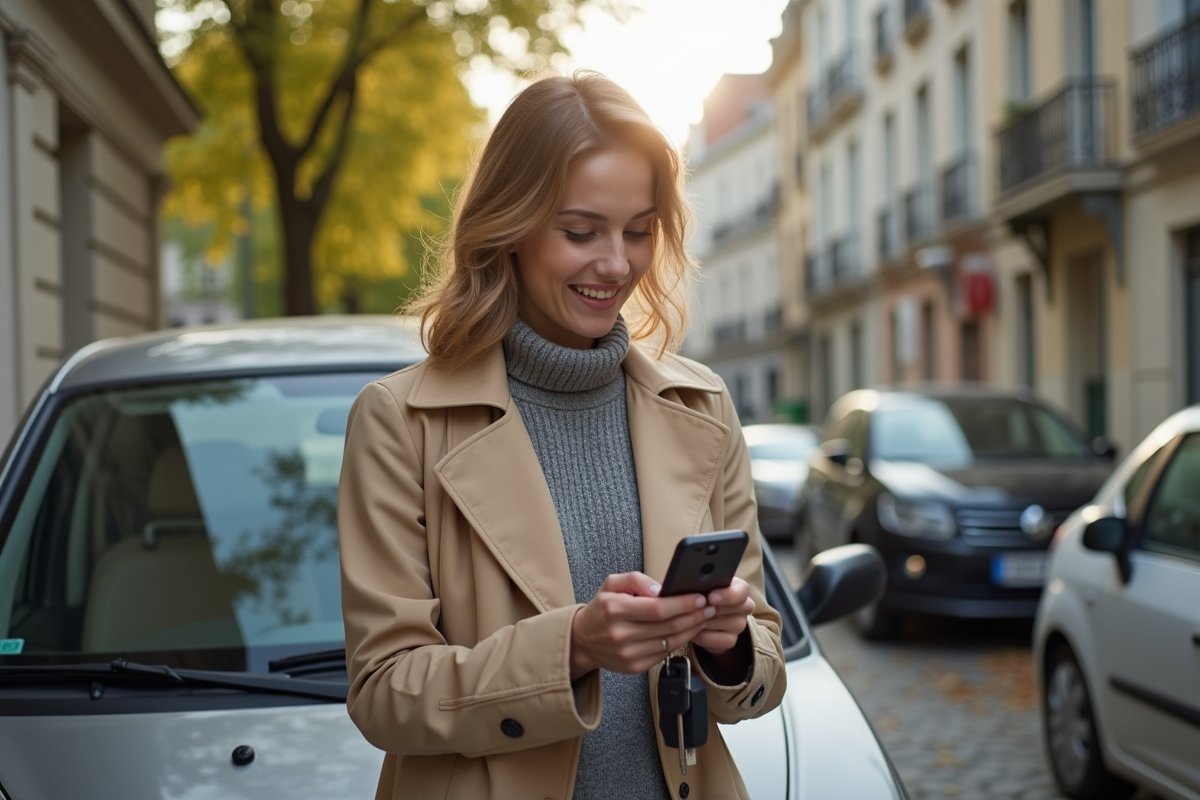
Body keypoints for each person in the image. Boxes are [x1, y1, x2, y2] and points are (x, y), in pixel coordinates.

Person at [338, 70, 785, 800]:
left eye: (639, 231)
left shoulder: (702, 406)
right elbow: (386, 692)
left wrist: (731, 644)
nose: (616, 264)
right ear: (507, 226)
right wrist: (572, 647)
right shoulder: (400, 422)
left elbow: (759, 679)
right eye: (581, 232)